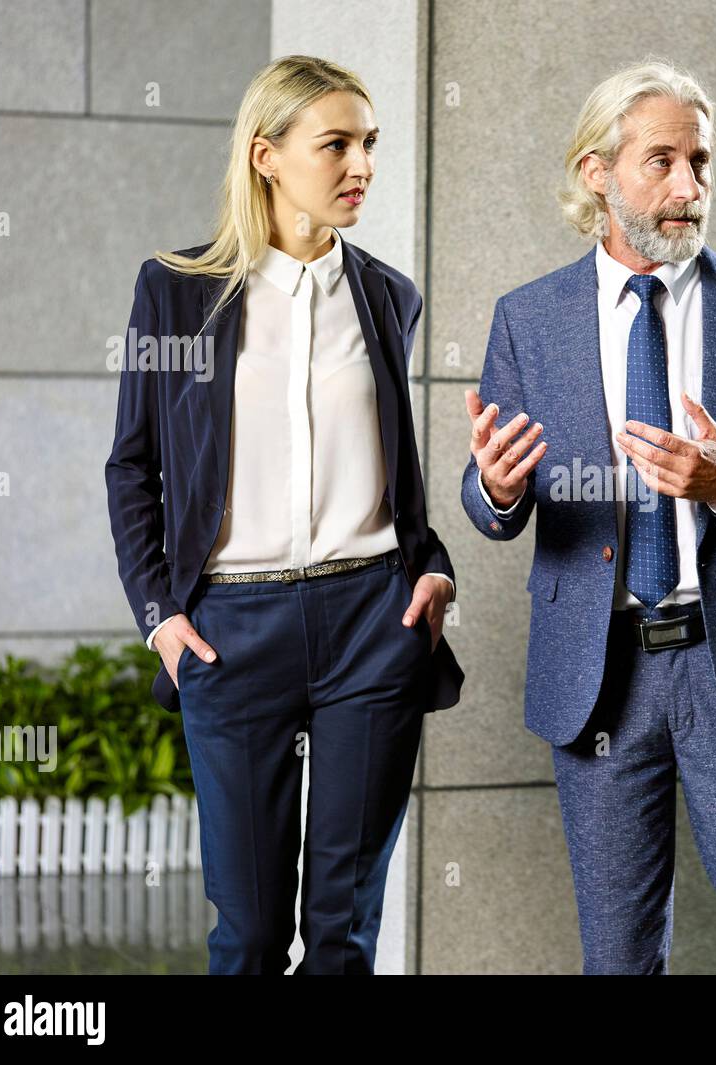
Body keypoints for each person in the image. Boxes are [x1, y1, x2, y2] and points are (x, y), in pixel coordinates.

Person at [460, 58, 716, 974]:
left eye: (701, 163)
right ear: (598, 172)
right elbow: (487, 501)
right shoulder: (528, 318)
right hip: (597, 674)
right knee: (618, 957)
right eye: (662, 162)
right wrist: (498, 490)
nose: (689, 187)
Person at [105, 55, 463, 974]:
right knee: (252, 934)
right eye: (336, 143)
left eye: (370, 144)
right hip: (230, 631)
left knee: (342, 932)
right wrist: (163, 620)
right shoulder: (177, 289)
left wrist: (433, 567)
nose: (362, 166)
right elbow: (132, 467)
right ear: (266, 154)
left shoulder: (388, 295)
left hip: (371, 622)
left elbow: (394, 465)